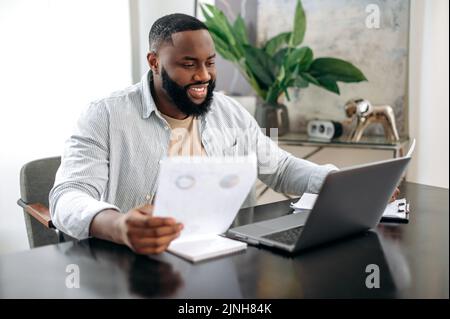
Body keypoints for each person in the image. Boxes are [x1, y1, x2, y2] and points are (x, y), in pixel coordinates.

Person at [49, 13, 398, 255]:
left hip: (225, 252)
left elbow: (280, 169)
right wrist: (118, 225)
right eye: (188, 64)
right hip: (135, 260)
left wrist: (345, 185)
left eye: (210, 62)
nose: (204, 75)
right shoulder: (105, 114)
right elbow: (68, 195)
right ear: (154, 62)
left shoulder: (227, 111)